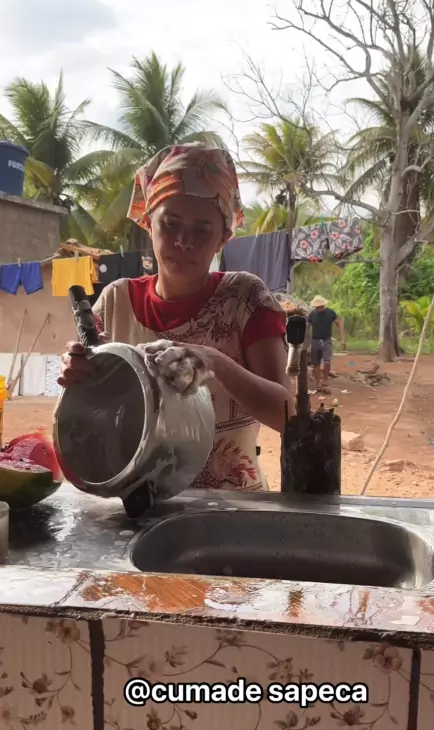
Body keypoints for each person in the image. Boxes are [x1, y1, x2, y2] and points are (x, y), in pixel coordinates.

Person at [58, 143, 293, 492]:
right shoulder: (115, 302)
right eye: (170, 224)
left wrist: (215, 362)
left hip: (233, 508)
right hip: (138, 507)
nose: (183, 242)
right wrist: (79, 373)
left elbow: (289, 417)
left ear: (223, 238)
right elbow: (91, 416)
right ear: (149, 224)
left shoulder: (245, 299)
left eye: (202, 229)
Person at [307, 295, 346, 394]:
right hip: (315, 340)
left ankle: (325, 379)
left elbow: (339, 323)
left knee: (327, 360)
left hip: (326, 340)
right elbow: (307, 326)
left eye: (320, 307)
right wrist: (306, 341)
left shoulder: (330, 313)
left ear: (324, 305)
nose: (319, 309)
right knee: (316, 363)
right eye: (317, 307)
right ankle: (318, 383)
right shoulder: (312, 314)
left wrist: (343, 339)